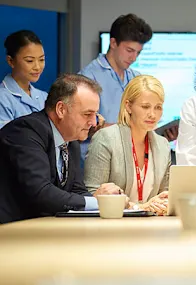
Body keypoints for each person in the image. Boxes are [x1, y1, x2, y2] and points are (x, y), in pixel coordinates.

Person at [0, 74, 122, 224]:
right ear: (61, 109)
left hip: (39, 230)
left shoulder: (71, 141)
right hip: (9, 232)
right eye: (87, 114)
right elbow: (41, 193)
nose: (93, 122)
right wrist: (98, 203)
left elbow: (77, 190)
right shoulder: (26, 132)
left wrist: (108, 203)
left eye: (95, 114)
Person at [84, 75, 171, 215]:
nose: (152, 114)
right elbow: (92, 195)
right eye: (145, 107)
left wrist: (164, 202)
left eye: (158, 107)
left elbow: (165, 194)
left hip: (152, 227)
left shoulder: (163, 145)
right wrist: (138, 208)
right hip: (113, 227)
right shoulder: (106, 138)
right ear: (128, 106)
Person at [78, 14, 153, 167]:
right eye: (129, 50)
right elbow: (80, 125)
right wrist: (128, 130)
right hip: (97, 162)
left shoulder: (136, 78)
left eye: (138, 52)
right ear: (113, 42)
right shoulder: (88, 77)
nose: (134, 58)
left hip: (130, 164)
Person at [0, 30, 47, 128]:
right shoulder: (3, 99)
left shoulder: (44, 97)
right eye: (30, 61)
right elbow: (6, 140)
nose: (37, 67)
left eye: (41, 59)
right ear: (11, 61)